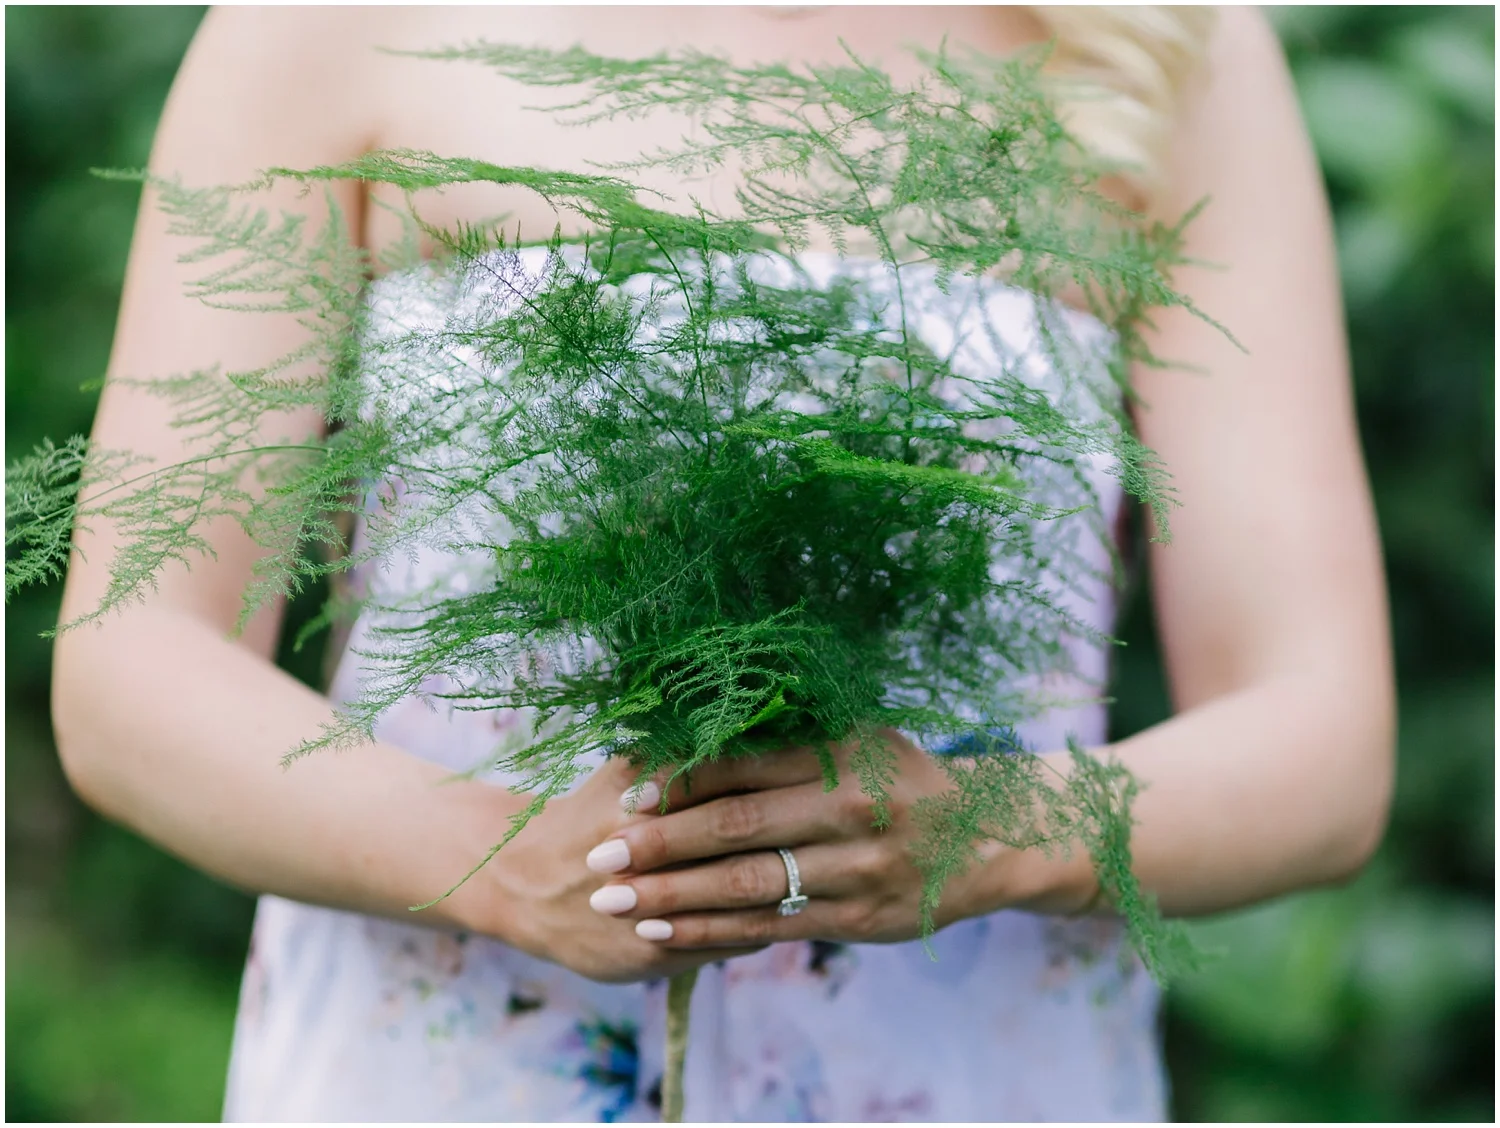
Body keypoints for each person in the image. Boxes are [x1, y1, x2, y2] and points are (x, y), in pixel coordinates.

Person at [52, 5, 1395, 1121]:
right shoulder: (331, 24)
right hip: (457, 1069)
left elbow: (1322, 745)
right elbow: (133, 665)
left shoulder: (1169, 45)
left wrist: (987, 832)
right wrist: (495, 862)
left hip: (968, 1067)